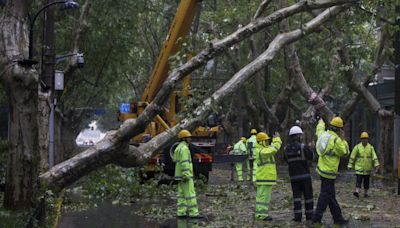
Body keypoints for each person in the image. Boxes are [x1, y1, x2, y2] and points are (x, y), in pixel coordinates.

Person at [312, 117, 349, 225]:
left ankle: (338, 218)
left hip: (322, 169)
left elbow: (319, 129)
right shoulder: (336, 140)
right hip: (330, 172)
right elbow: (345, 152)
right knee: (325, 195)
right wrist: (343, 140)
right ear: (339, 130)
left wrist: (320, 122)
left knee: (330, 195)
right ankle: (316, 218)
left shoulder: (323, 135)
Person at [284, 126, 314, 222]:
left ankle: (298, 216)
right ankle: (309, 215)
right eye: (300, 135)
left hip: (293, 177)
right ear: (297, 136)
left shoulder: (286, 148)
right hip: (305, 176)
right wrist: (311, 147)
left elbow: (285, 160)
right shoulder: (303, 147)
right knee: (308, 196)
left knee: (296, 197)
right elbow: (311, 156)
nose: (301, 137)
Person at [173, 129, 202, 219]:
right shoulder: (185, 149)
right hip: (185, 176)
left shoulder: (178, 148)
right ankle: (194, 213)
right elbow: (185, 163)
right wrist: (186, 174)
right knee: (190, 194)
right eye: (188, 138)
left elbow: (175, 161)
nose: (190, 139)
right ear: (184, 138)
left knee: (181, 194)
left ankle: (181, 212)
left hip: (179, 176)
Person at [254, 131, 282, 221]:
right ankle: (261, 215)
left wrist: (274, 141)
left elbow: (271, 148)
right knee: (263, 197)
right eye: (265, 141)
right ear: (261, 142)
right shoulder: (261, 151)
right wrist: (277, 139)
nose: (267, 142)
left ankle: (260, 214)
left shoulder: (262, 150)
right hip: (264, 177)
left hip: (264, 178)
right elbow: (273, 149)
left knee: (262, 197)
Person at [348, 132, 379, 198]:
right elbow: (352, 157)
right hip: (359, 168)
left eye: (365, 138)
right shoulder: (357, 147)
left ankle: (366, 193)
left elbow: (374, 156)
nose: (364, 140)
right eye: (363, 138)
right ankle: (357, 191)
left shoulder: (370, 148)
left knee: (366, 182)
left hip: (367, 168)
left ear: (368, 139)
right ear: (361, 139)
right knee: (358, 181)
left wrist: (376, 165)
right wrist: (350, 165)